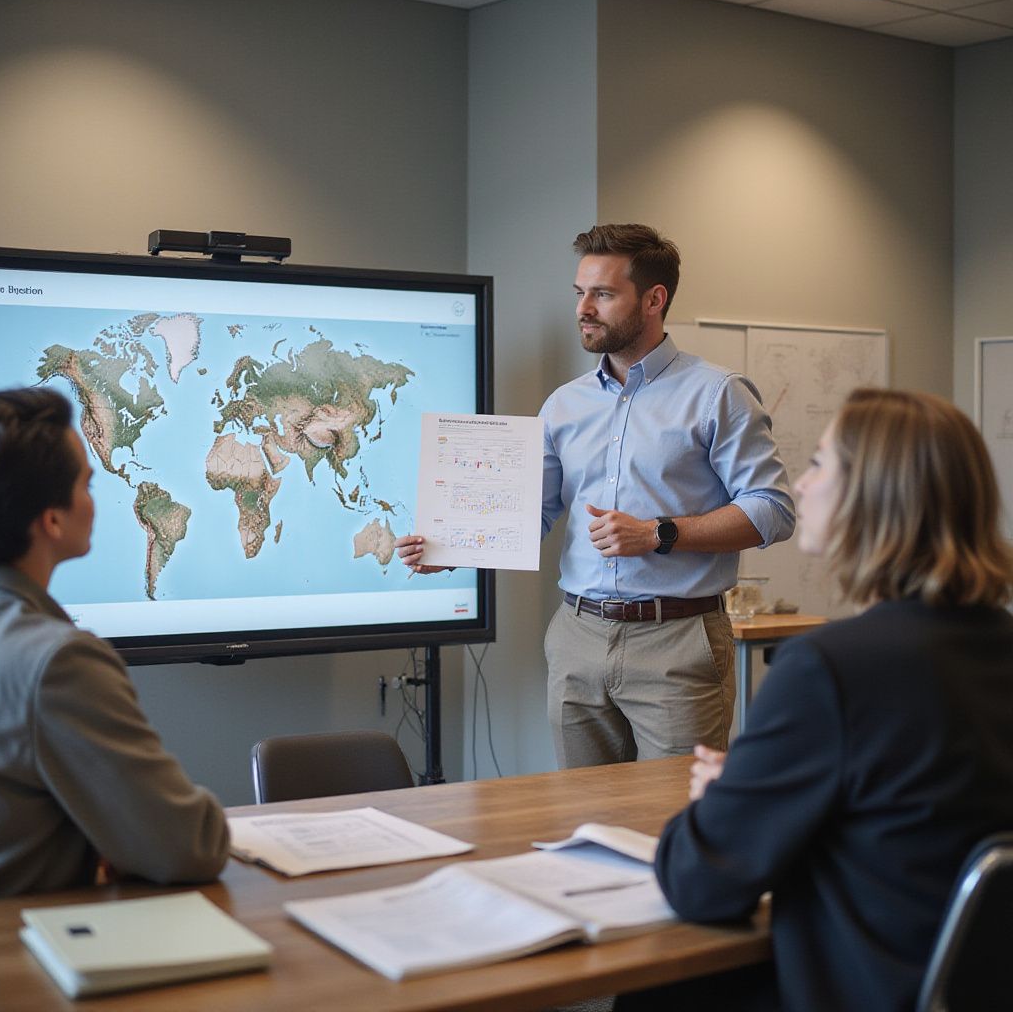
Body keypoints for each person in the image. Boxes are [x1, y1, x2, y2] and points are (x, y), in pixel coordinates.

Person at [621, 388, 1013, 1012]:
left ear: (872, 497)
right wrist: (766, 784)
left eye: (819, 464)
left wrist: (721, 799)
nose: (800, 487)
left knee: (652, 999)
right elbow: (916, 816)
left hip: (864, 987)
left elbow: (700, 885)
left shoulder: (830, 668)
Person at [397, 224, 794, 766]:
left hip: (676, 639)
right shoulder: (563, 404)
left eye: (603, 294)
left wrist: (659, 534)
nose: (584, 308)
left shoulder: (718, 393)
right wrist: (450, 550)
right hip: (577, 637)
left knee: (672, 822)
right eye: (580, 292)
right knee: (583, 819)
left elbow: (772, 510)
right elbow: (527, 514)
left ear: (654, 300)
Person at [0, 387, 229, 896]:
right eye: (88, 485)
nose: (94, 502)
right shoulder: (58, 663)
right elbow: (189, 845)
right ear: (51, 519)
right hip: (28, 954)